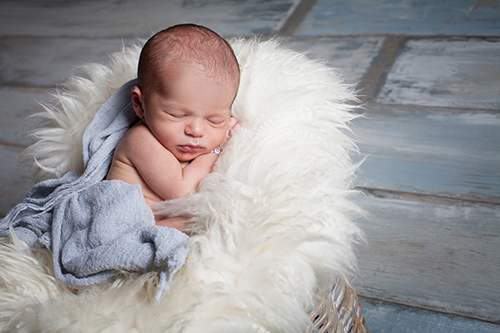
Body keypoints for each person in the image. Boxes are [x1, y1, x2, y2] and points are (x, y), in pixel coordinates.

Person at [106, 24, 240, 232]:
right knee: (204, 225)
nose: (196, 131)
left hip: (155, 222)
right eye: (176, 115)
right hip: (124, 228)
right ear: (140, 104)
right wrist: (216, 149)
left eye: (214, 120)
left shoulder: (178, 139)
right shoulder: (141, 140)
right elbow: (182, 191)